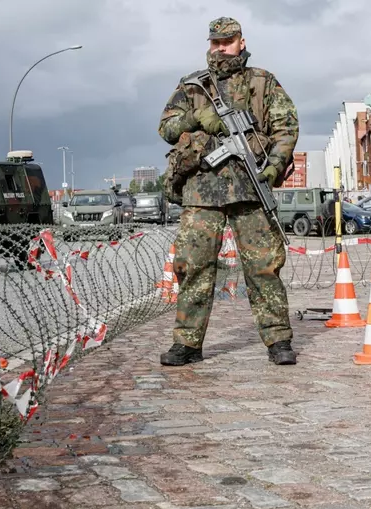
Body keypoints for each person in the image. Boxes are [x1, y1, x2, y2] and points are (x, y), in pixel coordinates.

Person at [157, 16, 300, 366]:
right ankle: (187, 344)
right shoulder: (192, 86)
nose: (221, 48)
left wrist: (274, 165)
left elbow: (286, 127)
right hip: (201, 191)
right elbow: (166, 127)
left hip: (250, 187)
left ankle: (278, 340)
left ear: (241, 41)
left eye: (228, 41)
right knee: (193, 267)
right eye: (215, 42)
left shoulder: (262, 82)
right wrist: (197, 119)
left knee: (264, 267)